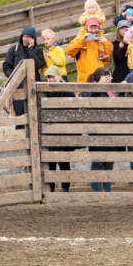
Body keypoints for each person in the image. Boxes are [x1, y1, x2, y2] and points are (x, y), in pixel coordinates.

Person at [84, 67, 116, 192]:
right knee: (98, 162)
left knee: (109, 163)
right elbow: (90, 100)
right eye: (108, 76)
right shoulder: (93, 89)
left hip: (112, 131)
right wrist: (99, 86)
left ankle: (107, 190)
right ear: (101, 78)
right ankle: (97, 191)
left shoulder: (112, 90)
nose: (111, 78)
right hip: (98, 131)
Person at [43, 65, 75, 193]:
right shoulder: (45, 91)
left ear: (59, 76)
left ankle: (65, 186)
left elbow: (72, 111)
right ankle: (51, 186)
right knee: (50, 160)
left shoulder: (67, 91)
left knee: (63, 160)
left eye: (53, 77)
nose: (51, 80)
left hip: (63, 130)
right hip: (49, 130)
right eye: (49, 77)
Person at [3, 25, 46, 116]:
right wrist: (15, 76)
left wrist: (30, 49)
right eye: (23, 36)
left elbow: (37, 65)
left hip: (34, 87)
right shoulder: (14, 50)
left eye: (27, 37)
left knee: (35, 114)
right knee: (20, 115)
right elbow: (6, 67)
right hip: (18, 88)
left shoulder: (38, 51)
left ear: (32, 38)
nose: (25, 39)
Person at [66, 18, 112, 84]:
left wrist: (106, 43)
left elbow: (108, 59)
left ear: (98, 27)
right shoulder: (79, 38)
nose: (93, 31)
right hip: (85, 80)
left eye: (95, 28)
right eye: (91, 28)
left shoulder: (101, 39)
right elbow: (68, 51)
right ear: (86, 27)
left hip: (100, 79)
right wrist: (82, 41)